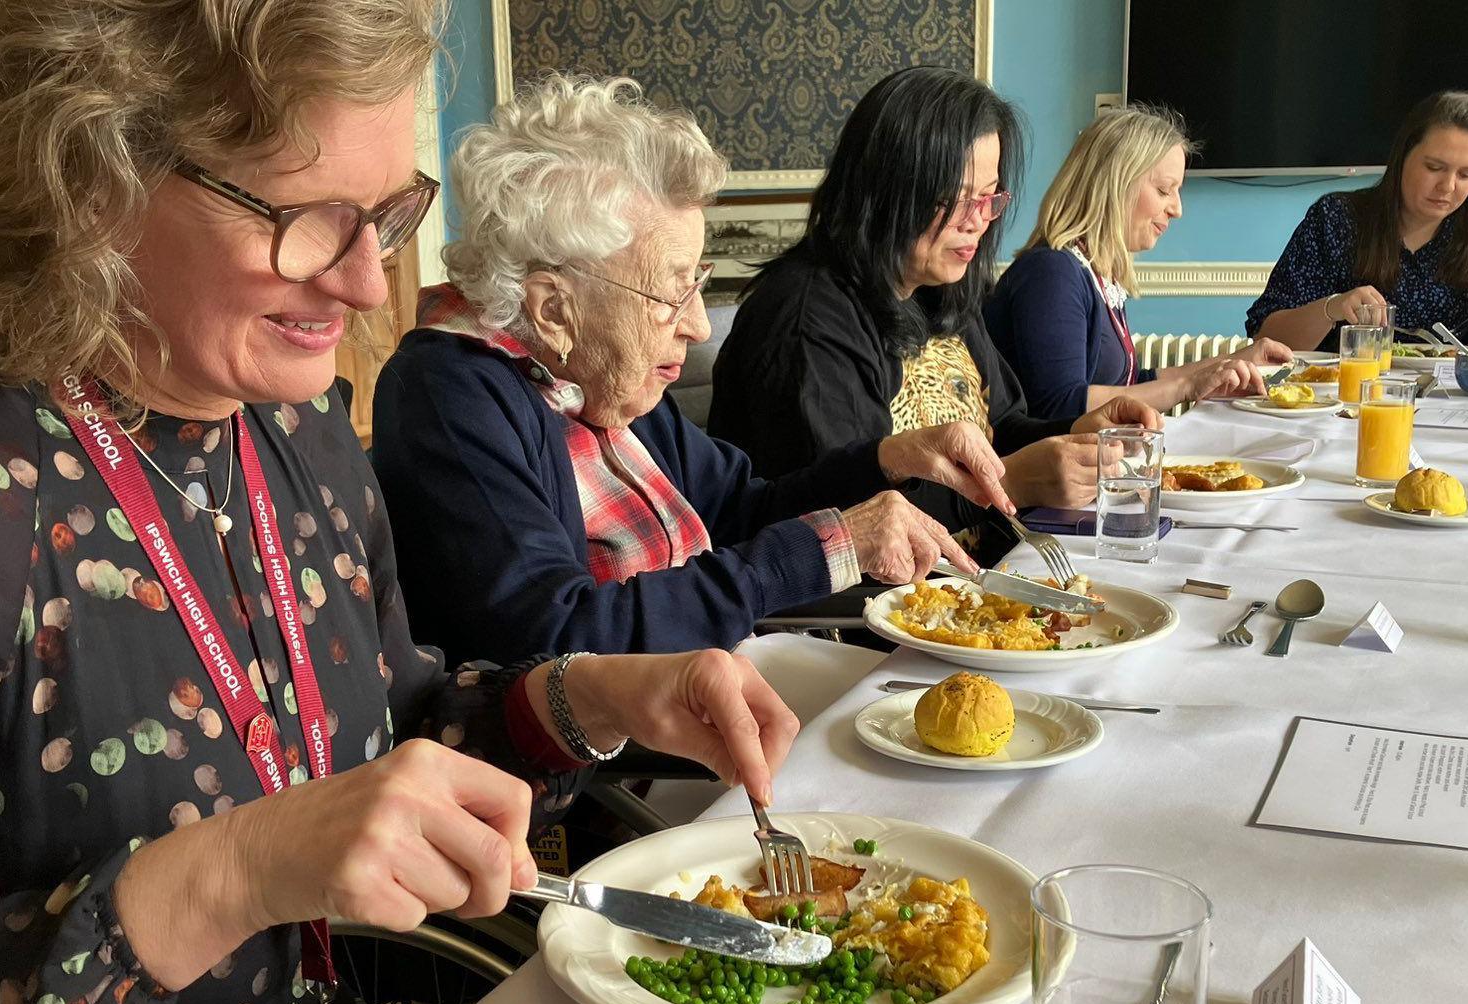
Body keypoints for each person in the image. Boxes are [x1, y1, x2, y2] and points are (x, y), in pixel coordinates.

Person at [0, 4, 800, 1004]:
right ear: (89, 177)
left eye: (388, 213)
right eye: (309, 219)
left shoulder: (294, 434)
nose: (362, 282)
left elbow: (389, 762)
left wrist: (584, 699)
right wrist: (224, 876)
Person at [374, 76, 1012, 666]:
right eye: (671, 294)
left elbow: (738, 508)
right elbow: (552, 641)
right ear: (552, 310)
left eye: (697, 283)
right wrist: (830, 546)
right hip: (627, 772)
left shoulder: (603, 379)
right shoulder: (450, 393)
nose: (700, 326)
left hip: (723, 693)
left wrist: (886, 460)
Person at [708, 66, 1163, 541]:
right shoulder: (806, 319)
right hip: (871, 605)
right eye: (956, 199)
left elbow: (1000, 429)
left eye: (989, 198)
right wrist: (1013, 483)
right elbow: (849, 521)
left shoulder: (940, 287)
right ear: (887, 190)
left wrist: (1077, 432)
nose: (978, 221)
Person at [985, 104, 1284, 423]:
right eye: (1164, 190)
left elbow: (1129, 386)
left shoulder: (1096, 272)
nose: (1177, 209)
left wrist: (1230, 363)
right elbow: (1061, 404)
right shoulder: (1051, 273)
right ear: (1115, 183)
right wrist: (1187, 386)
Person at [1248, 90, 1468, 353]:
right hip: (1342, 399)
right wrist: (1332, 307)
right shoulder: (1336, 219)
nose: (1448, 186)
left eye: (1466, 174)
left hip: (1457, 402)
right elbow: (1266, 339)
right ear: (1402, 156)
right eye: (1434, 167)